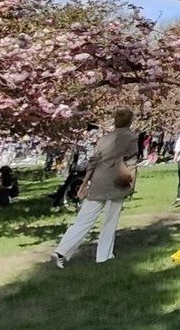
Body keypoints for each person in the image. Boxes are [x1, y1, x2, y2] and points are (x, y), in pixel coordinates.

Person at [51, 108, 140, 267]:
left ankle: (62, 250)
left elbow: (93, 163)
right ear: (130, 121)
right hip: (117, 181)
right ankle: (104, 256)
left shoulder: (104, 139)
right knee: (110, 220)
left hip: (98, 180)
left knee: (84, 219)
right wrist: (133, 184)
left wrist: (85, 183)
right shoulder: (131, 138)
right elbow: (132, 162)